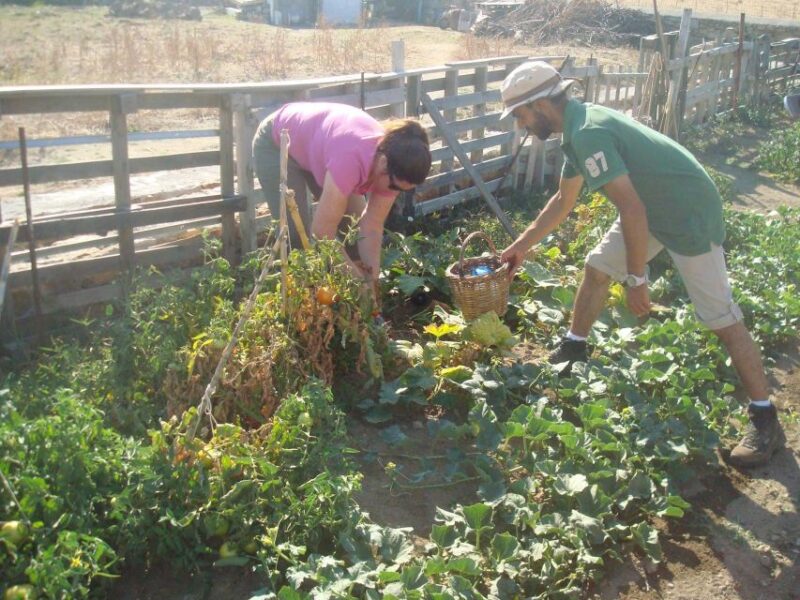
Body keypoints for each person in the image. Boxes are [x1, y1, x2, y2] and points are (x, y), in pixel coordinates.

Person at [498, 60, 786, 468]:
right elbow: (564, 201)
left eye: (520, 115)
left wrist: (637, 278)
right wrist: (520, 247)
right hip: (651, 206)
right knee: (597, 267)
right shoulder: (575, 129)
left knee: (720, 317)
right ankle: (574, 348)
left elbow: (631, 210)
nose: (520, 125)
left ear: (542, 104)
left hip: (687, 213)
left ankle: (765, 418)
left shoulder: (589, 132)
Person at [252, 102, 431, 285]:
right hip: (278, 142)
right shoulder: (351, 159)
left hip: (321, 146)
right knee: (297, 238)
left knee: (352, 231)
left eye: (402, 190)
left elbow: (372, 226)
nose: (394, 194)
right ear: (383, 164)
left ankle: (353, 301)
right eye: (395, 187)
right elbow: (321, 232)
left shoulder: (396, 167)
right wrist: (355, 280)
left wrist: (372, 280)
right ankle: (304, 298)